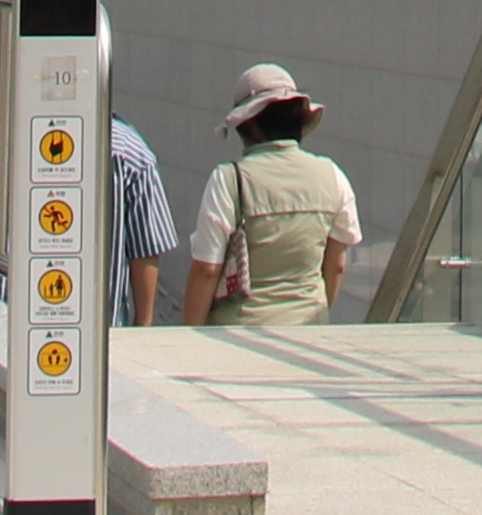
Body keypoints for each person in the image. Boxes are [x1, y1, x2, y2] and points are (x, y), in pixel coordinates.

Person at [181, 62, 357, 327]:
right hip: (309, 335)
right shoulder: (332, 175)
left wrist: (187, 338)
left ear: (247, 125)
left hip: (238, 338)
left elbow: (207, 270)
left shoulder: (229, 179)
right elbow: (336, 265)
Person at [101, 107, 180, 324]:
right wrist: (142, 326)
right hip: (105, 330)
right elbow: (145, 250)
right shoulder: (130, 149)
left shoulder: (3, 133)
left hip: (5, 325)